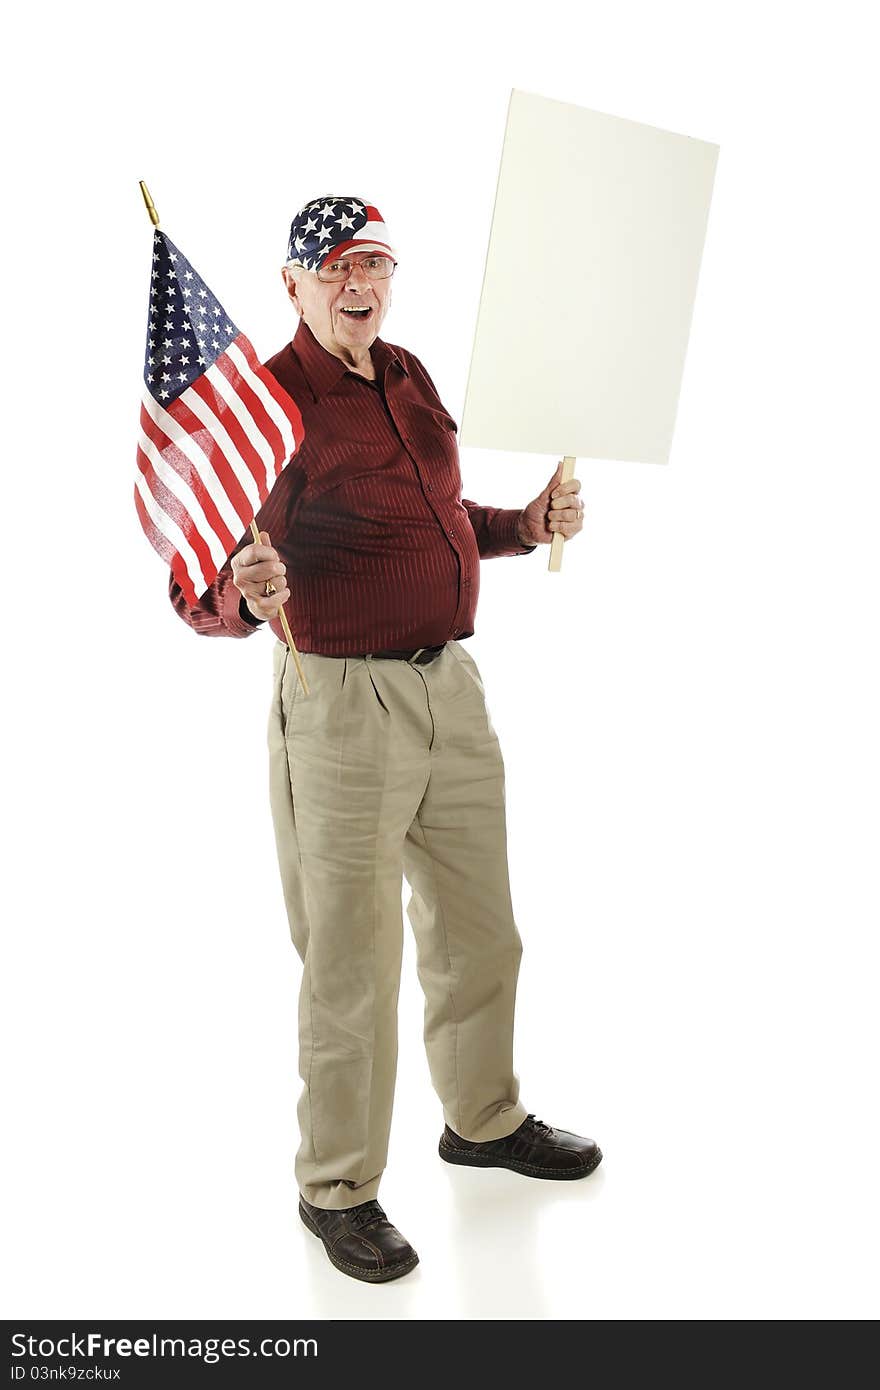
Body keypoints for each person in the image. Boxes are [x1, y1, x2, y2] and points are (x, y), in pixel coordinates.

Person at [170, 196, 601, 1284]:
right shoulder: (269, 407)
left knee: (481, 930)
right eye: (335, 268)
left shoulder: (402, 370)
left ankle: (484, 1120)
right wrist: (239, 588)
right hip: (341, 702)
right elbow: (200, 581)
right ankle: (338, 1189)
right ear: (294, 284)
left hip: (448, 687)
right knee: (352, 963)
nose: (358, 283)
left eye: (375, 263)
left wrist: (520, 527)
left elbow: (439, 516)